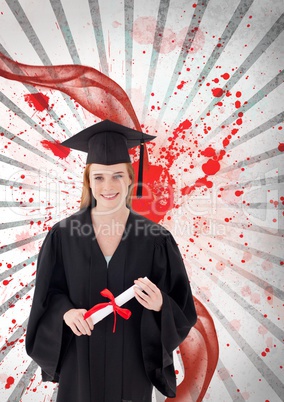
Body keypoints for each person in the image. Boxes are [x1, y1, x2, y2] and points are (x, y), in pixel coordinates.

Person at [25, 120, 197, 402]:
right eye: (99, 177)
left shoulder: (156, 239)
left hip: (131, 365)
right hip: (78, 361)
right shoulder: (63, 236)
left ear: (131, 178)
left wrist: (160, 305)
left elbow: (182, 308)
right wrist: (66, 313)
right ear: (88, 181)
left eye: (117, 175)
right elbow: (49, 295)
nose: (108, 186)